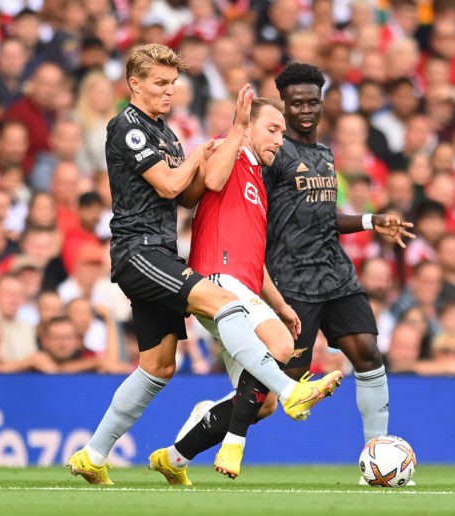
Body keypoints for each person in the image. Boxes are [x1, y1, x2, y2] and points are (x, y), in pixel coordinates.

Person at [67, 44, 345, 486]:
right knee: (220, 299)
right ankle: (291, 389)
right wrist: (207, 150)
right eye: (160, 83)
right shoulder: (129, 127)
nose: (169, 91)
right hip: (139, 251)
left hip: (162, 253)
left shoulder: (167, 135)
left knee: (158, 367)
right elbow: (171, 183)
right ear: (134, 83)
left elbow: (192, 193)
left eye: (173, 84)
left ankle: (93, 455)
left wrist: (199, 156)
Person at [174, 62, 415, 486]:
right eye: (297, 103)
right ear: (283, 106)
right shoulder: (269, 151)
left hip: (335, 273)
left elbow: (320, 216)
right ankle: (205, 425)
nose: (306, 109)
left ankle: (377, 463)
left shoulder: (324, 154)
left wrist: (369, 220)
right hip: (290, 277)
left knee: (369, 355)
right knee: (273, 388)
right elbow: (237, 192)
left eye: (313, 101)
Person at [149, 94, 333, 484]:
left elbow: (255, 260)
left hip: (241, 284)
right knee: (280, 347)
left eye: (282, 133)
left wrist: (280, 304)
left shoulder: (258, 185)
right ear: (248, 126)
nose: (279, 140)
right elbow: (211, 180)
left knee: (259, 404)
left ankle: (174, 457)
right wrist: (235, 128)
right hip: (216, 279)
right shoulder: (229, 148)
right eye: (271, 129)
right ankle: (242, 434)